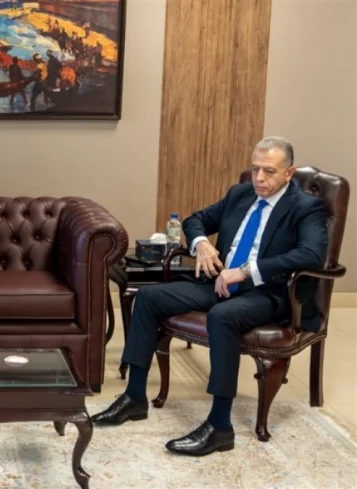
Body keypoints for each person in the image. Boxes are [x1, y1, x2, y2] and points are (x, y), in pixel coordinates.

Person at [92, 136, 328, 455]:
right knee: (148, 298)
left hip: (268, 293)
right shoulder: (240, 194)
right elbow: (195, 220)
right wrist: (201, 243)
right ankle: (134, 398)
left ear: (289, 173)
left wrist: (246, 270)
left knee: (222, 316)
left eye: (269, 171)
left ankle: (220, 427)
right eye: (255, 169)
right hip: (219, 283)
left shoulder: (306, 207)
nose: (259, 178)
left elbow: (311, 254)